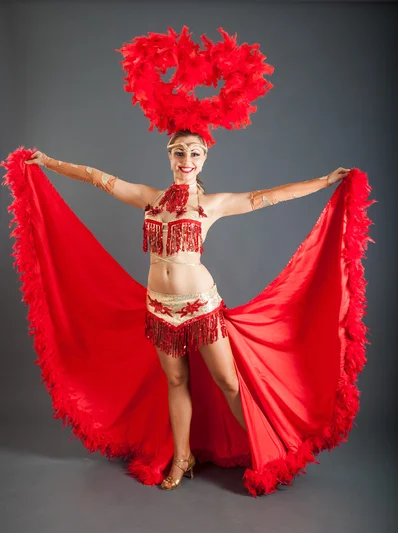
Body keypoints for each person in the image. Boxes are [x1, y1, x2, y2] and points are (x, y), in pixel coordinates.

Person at [23, 131, 351, 490]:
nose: (186, 159)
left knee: (227, 381)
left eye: (195, 153)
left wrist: (324, 181)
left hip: (200, 305)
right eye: (179, 152)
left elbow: (268, 197)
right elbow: (95, 177)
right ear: (169, 155)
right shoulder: (150, 198)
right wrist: (49, 163)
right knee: (176, 380)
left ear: (204, 159)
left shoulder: (212, 204)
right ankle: (183, 457)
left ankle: (268, 450)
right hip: (159, 308)